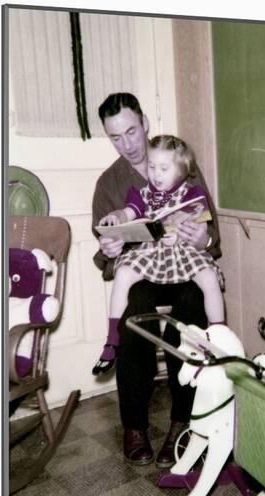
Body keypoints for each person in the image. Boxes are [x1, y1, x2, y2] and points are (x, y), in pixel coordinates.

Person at [92, 93, 223, 468]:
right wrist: (111, 249)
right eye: (115, 137)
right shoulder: (109, 183)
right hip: (144, 270)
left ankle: (184, 422)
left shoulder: (179, 162)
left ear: (145, 123)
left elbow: (212, 236)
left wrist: (205, 238)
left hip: (184, 267)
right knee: (134, 314)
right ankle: (134, 426)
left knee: (192, 308)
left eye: (132, 131)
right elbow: (105, 254)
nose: (127, 144)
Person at [92, 134, 225, 376]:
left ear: (182, 169)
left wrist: (188, 233)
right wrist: (116, 218)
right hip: (152, 255)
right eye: (152, 167)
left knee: (208, 278)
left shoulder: (193, 194)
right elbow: (128, 212)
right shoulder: (141, 193)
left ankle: (219, 336)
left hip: (183, 254)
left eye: (164, 168)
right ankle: (112, 339)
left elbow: (202, 227)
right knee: (122, 274)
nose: (156, 174)